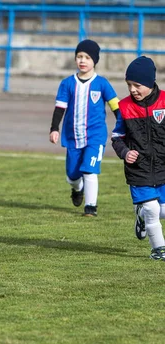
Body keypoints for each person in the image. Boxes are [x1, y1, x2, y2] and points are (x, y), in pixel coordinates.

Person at [49, 39, 120, 217]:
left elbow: (116, 107)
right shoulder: (67, 83)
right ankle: (77, 188)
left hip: (95, 136)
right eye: (79, 56)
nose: (82, 60)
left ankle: (91, 208)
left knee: (90, 170)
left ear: (94, 60)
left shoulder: (102, 84)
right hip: (73, 137)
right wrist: (54, 128)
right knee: (72, 176)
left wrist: (125, 127)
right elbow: (60, 108)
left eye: (87, 57)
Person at [112, 56, 165, 260]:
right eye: (129, 85)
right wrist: (125, 153)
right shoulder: (124, 107)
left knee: (159, 210)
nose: (132, 89)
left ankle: (141, 216)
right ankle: (158, 249)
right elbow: (117, 137)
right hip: (139, 168)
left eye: (137, 85)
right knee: (152, 208)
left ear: (150, 83)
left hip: (162, 166)